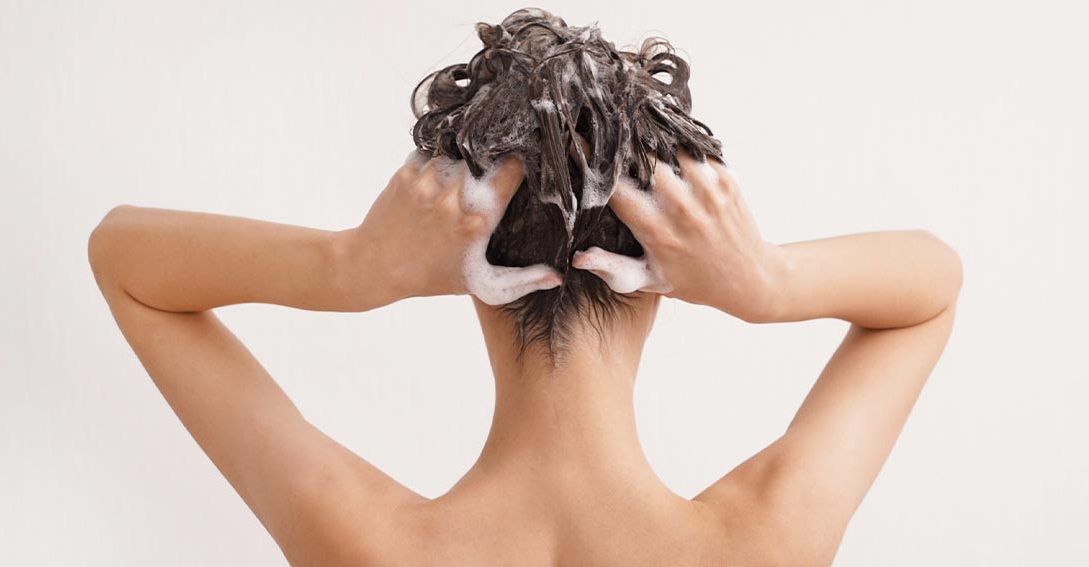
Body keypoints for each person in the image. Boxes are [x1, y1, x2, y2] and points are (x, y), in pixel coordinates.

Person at [87, 9, 962, 566]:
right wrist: (764, 280)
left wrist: (352, 268)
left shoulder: (366, 544)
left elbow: (123, 260)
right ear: (665, 277)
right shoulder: (765, 541)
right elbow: (931, 288)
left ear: (473, 275)